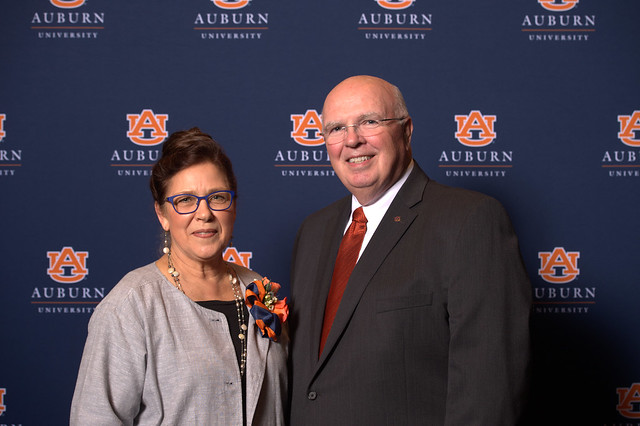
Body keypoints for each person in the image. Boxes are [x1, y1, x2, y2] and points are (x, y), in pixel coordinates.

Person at [288, 76, 531, 425]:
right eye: (336, 128)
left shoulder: (469, 220)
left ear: (407, 130)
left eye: (369, 122)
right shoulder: (313, 231)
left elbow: (489, 391)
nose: (352, 140)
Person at [71, 128, 288, 425]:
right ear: (162, 214)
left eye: (218, 197)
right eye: (185, 200)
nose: (204, 213)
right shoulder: (131, 305)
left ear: (233, 207)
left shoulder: (260, 288)